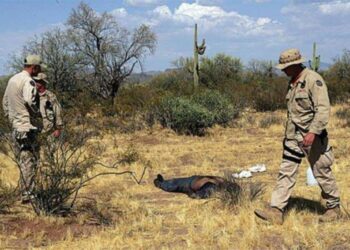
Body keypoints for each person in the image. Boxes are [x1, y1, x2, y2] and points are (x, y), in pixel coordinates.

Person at [254, 48, 341, 224]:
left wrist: (313, 132)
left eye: (286, 67)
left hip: (313, 138)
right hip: (293, 138)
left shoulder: (313, 80)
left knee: (321, 171)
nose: (284, 70)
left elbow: (323, 110)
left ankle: (334, 208)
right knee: (286, 171)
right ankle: (276, 210)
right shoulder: (293, 82)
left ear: (295, 64)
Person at [2, 55, 45, 203]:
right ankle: (28, 194)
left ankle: (24, 191)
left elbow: (5, 102)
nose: (39, 70)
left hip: (17, 127)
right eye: (38, 68)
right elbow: (29, 99)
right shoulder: (28, 81)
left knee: (23, 159)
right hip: (27, 127)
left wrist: (12, 119)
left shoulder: (13, 79)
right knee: (30, 160)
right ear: (34, 67)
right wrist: (36, 113)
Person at [32, 73, 63, 146]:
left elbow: (57, 112)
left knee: (48, 154)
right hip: (36, 131)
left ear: (43, 83)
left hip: (49, 131)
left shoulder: (50, 96)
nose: (36, 83)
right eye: (35, 81)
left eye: (38, 81)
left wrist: (58, 128)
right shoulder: (32, 96)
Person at [154, 174, 241, 199]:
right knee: (173, 184)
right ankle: (161, 182)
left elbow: (197, 195)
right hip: (193, 182)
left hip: (192, 182)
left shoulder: (221, 181)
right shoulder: (216, 185)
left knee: (173, 185)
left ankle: (160, 183)